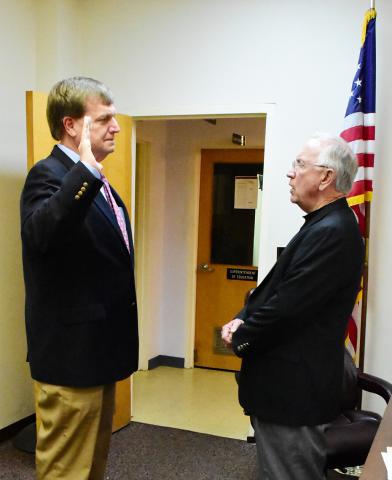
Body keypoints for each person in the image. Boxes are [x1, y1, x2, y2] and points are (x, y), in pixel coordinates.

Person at [221, 133, 364, 480]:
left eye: (299, 165)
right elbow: (276, 291)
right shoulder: (322, 224)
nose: (290, 173)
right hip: (289, 389)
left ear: (326, 177)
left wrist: (242, 336)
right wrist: (243, 317)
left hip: (294, 395)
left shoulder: (332, 231)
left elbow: (287, 308)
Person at [20, 77, 139, 480]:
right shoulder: (49, 175)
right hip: (70, 358)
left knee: (92, 466)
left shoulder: (100, 182)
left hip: (99, 355)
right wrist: (86, 170)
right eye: (105, 119)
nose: (117, 127)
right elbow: (43, 235)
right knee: (65, 470)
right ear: (72, 126)